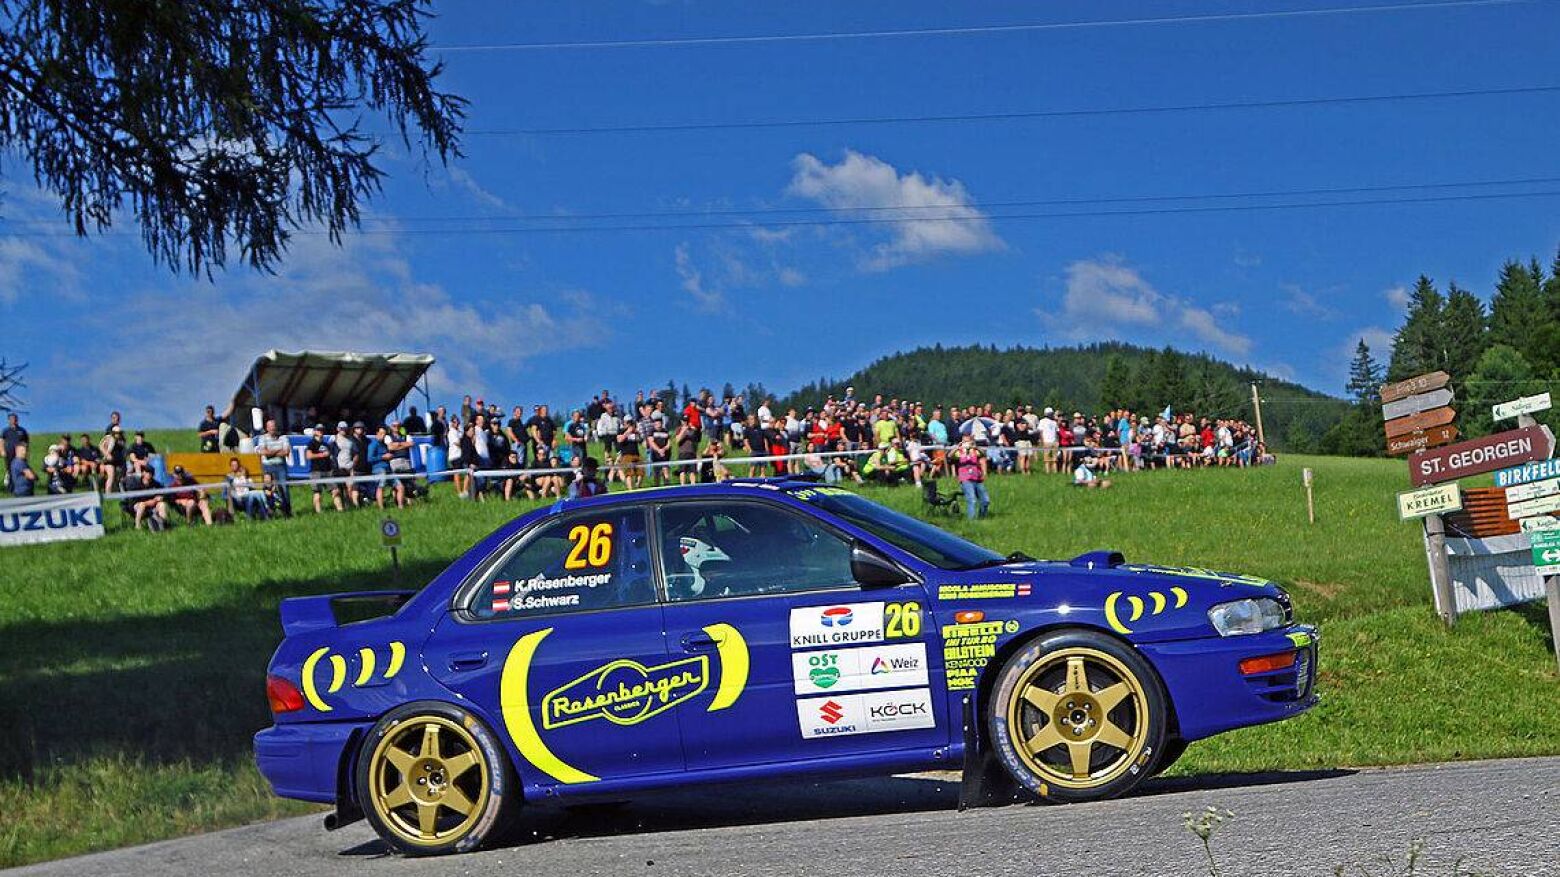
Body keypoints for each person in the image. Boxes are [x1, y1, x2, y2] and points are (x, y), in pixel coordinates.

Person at [256, 418, 292, 516]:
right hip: (267, 466)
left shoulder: (283, 437)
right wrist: (277, 451)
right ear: (267, 428)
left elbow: (286, 452)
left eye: (273, 426)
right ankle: (270, 511)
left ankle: (287, 512)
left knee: (284, 488)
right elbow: (263, 452)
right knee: (268, 489)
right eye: (270, 427)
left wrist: (270, 452)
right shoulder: (262, 438)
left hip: (280, 467)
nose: (272, 428)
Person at [955, 435, 990, 520]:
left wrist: (976, 447)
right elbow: (950, 456)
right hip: (965, 478)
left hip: (977, 478)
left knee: (985, 500)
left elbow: (983, 454)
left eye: (968, 441)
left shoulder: (975, 451)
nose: (966, 443)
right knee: (972, 499)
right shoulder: (959, 452)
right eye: (964, 441)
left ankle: (982, 517)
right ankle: (972, 520)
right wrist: (957, 447)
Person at [303, 425, 335, 513]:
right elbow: (308, 456)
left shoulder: (326, 444)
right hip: (316, 471)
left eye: (322, 430)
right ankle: (318, 512)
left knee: (335, 491)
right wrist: (322, 455)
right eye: (318, 430)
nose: (320, 431)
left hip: (328, 471)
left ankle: (341, 511)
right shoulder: (311, 443)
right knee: (317, 492)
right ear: (315, 432)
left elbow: (330, 458)